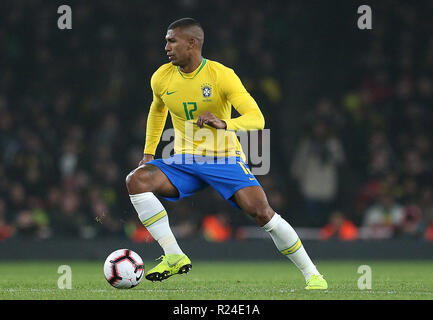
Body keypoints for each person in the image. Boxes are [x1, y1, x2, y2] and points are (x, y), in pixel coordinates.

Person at [125, 18, 327, 290]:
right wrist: (149, 153)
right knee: (136, 180)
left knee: (262, 213)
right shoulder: (161, 76)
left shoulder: (222, 75)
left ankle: (312, 274)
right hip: (184, 160)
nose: (166, 47)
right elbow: (158, 109)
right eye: (166, 40)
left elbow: (257, 118)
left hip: (223, 159)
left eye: (172, 41)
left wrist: (226, 124)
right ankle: (174, 255)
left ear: (192, 44)